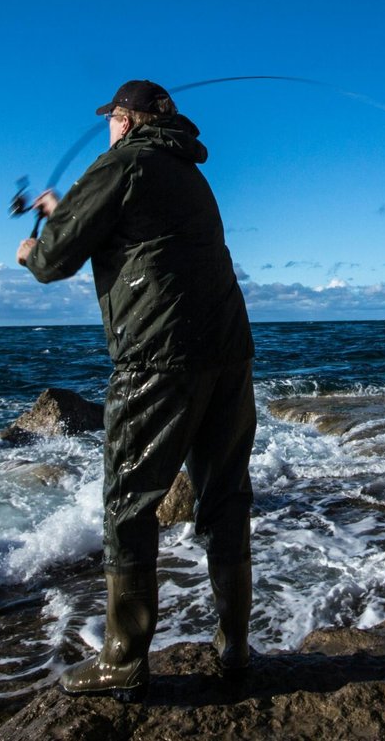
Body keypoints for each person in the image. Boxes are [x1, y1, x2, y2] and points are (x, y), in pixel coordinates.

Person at [17, 79, 256, 701]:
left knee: (129, 504)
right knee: (225, 497)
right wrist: (58, 211)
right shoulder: (187, 172)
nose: (108, 130)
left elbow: (54, 262)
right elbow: (124, 225)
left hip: (157, 357)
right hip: (228, 353)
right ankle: (234, 647)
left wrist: (31, 247)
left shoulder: (122, 161)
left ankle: (122, 660)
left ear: (125, 120)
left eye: (112, 120)